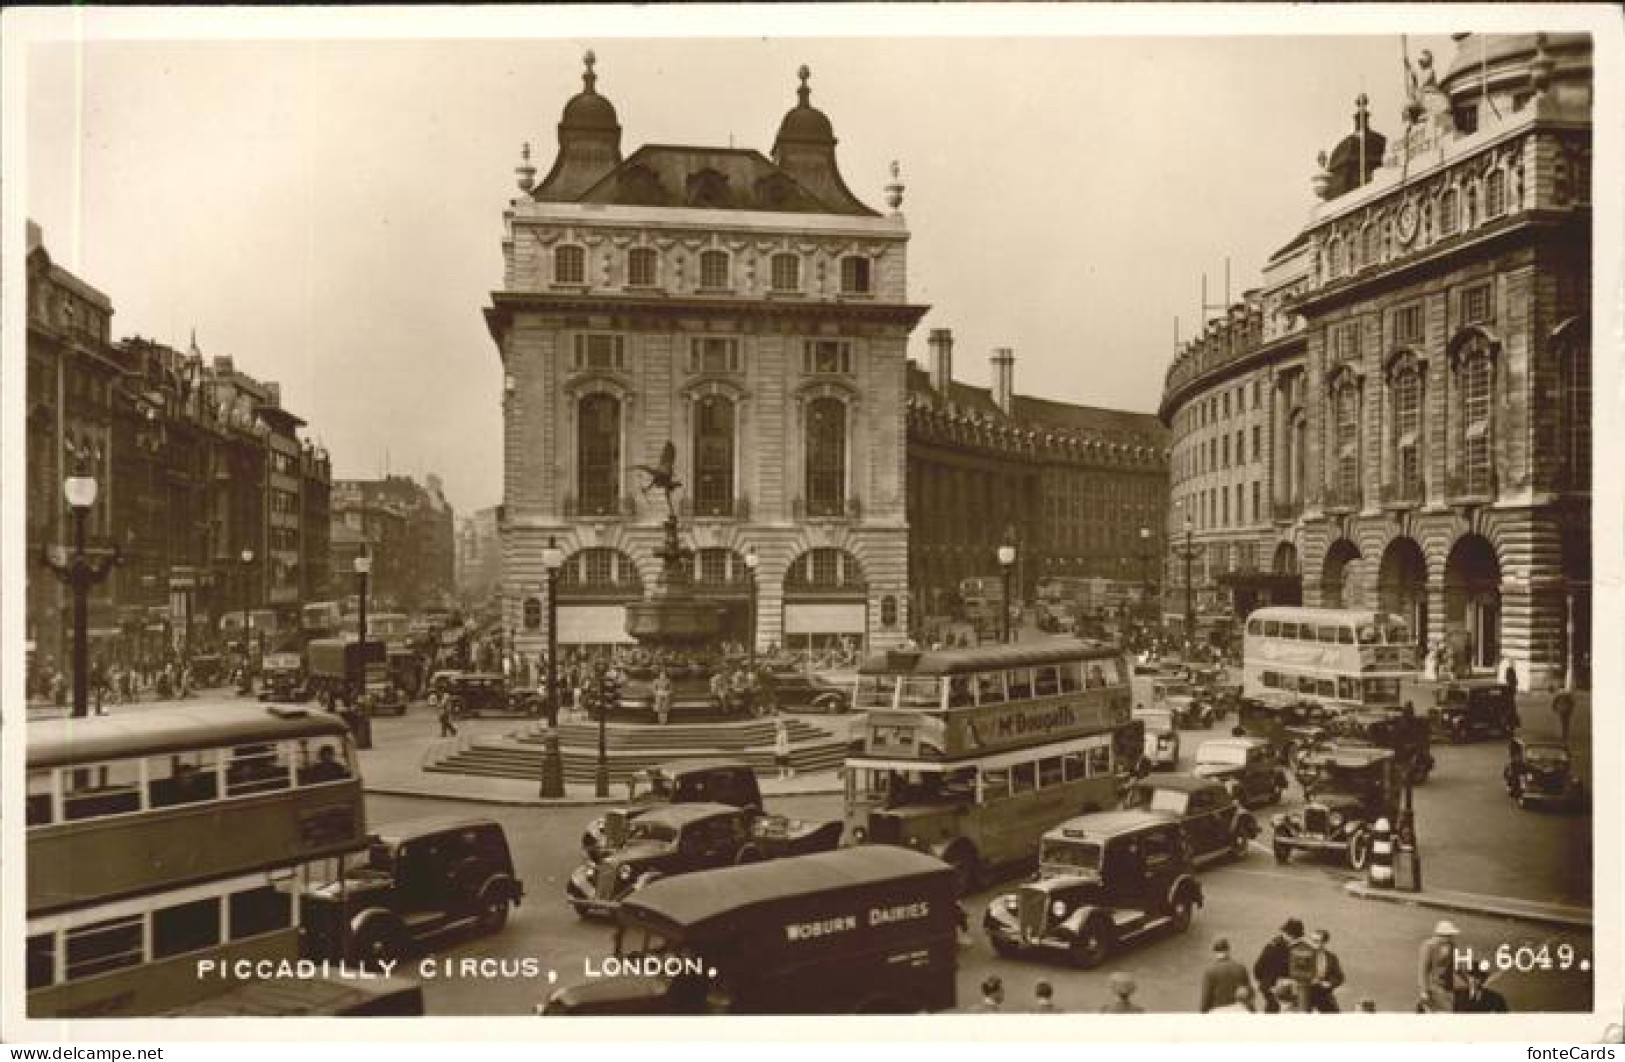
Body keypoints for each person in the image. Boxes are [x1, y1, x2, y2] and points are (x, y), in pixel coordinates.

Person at [1253, 918, 1304, 1013]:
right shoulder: (1285, 949)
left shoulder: (1271, 945)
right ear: (1292, 936)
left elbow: (1257, 968)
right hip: (1278, 987)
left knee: (1271, 1008)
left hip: (1269, 986)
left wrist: (1264, 983)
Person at [1200, 937, 1254, 1013]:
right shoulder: (1240, 967)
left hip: (1218, 1009)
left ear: (1215, 952)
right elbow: (1250, 992)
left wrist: (1203, 1013)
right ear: (1228, 950)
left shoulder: (1210, 971)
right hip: (1238, 1008)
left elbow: (1206, 997)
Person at [1418, 920, 1461, 1013]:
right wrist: (1423, 991)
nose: (1451, 938)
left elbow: (1454, 967)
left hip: (1448, 987)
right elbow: (1423, 970)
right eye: (1449, 936)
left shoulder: (1452, 946)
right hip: (1434, 987)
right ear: (1441, 935)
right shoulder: (1428, 946)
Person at [1305, 929, 1346, 1013]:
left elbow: (1339, 977)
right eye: (1311, 940)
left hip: (1323, 993)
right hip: (1305, 992)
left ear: (1324, 942)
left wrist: (1329, 983)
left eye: (1316, 941)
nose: (1312, 943)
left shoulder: (1331, 957)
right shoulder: (1303, 954)